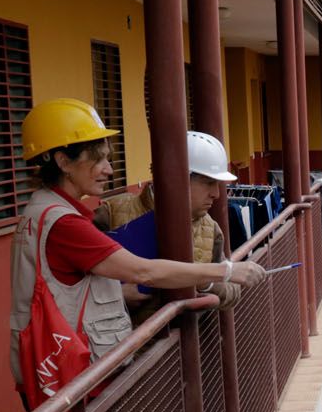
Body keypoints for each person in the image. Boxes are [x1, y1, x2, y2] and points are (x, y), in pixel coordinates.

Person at [8, 98, 269, 405]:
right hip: (75, 374)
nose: (109, 170)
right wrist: (225, 271)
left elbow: (67, 288)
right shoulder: (66, 223)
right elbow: (142, 270)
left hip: (59, 368)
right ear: (64, 161)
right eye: (98, 160)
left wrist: (117, 293)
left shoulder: (42, 210)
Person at [95, 130, 244, 310]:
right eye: (208, 183)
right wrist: (115, 295)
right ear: (177, 178)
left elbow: (233, 292)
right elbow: (75, 282)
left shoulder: (210, 229)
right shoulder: (111, 213)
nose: (216, 194)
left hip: (188, 329)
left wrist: (205, 281)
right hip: (128, 328)